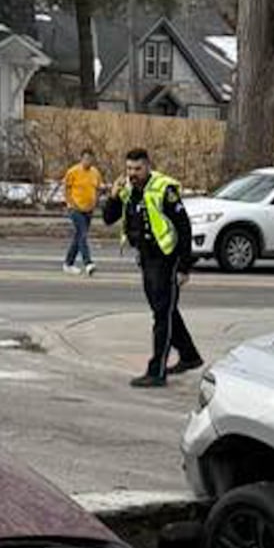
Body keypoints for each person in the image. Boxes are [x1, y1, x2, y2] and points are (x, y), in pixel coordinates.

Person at [103, 148, 203, 388]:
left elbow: (184, 227)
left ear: (148, 166)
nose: (132, 173)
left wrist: (184, 267)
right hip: (146, 259)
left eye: (137, 169)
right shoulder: (128, 189)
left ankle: (156, 371)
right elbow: (108, 218)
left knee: (162, 315)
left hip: (167, 260)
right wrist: (114, 196)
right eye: (129, 169)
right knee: (165, 311)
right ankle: (189, 356)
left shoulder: (164, 189)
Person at [62, 149, 104, 275]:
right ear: (81, 159)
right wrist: (70, 203)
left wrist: (96, 200)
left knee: (78, 236)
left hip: (88, 209)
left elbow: (98, 188)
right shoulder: (73, 171)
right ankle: (88, 263)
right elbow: (66, 188)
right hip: (75, 209)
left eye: (90, 159)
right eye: (85, 158)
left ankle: (68, 263)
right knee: (83, 234)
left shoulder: (95, 173)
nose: (88, 161)